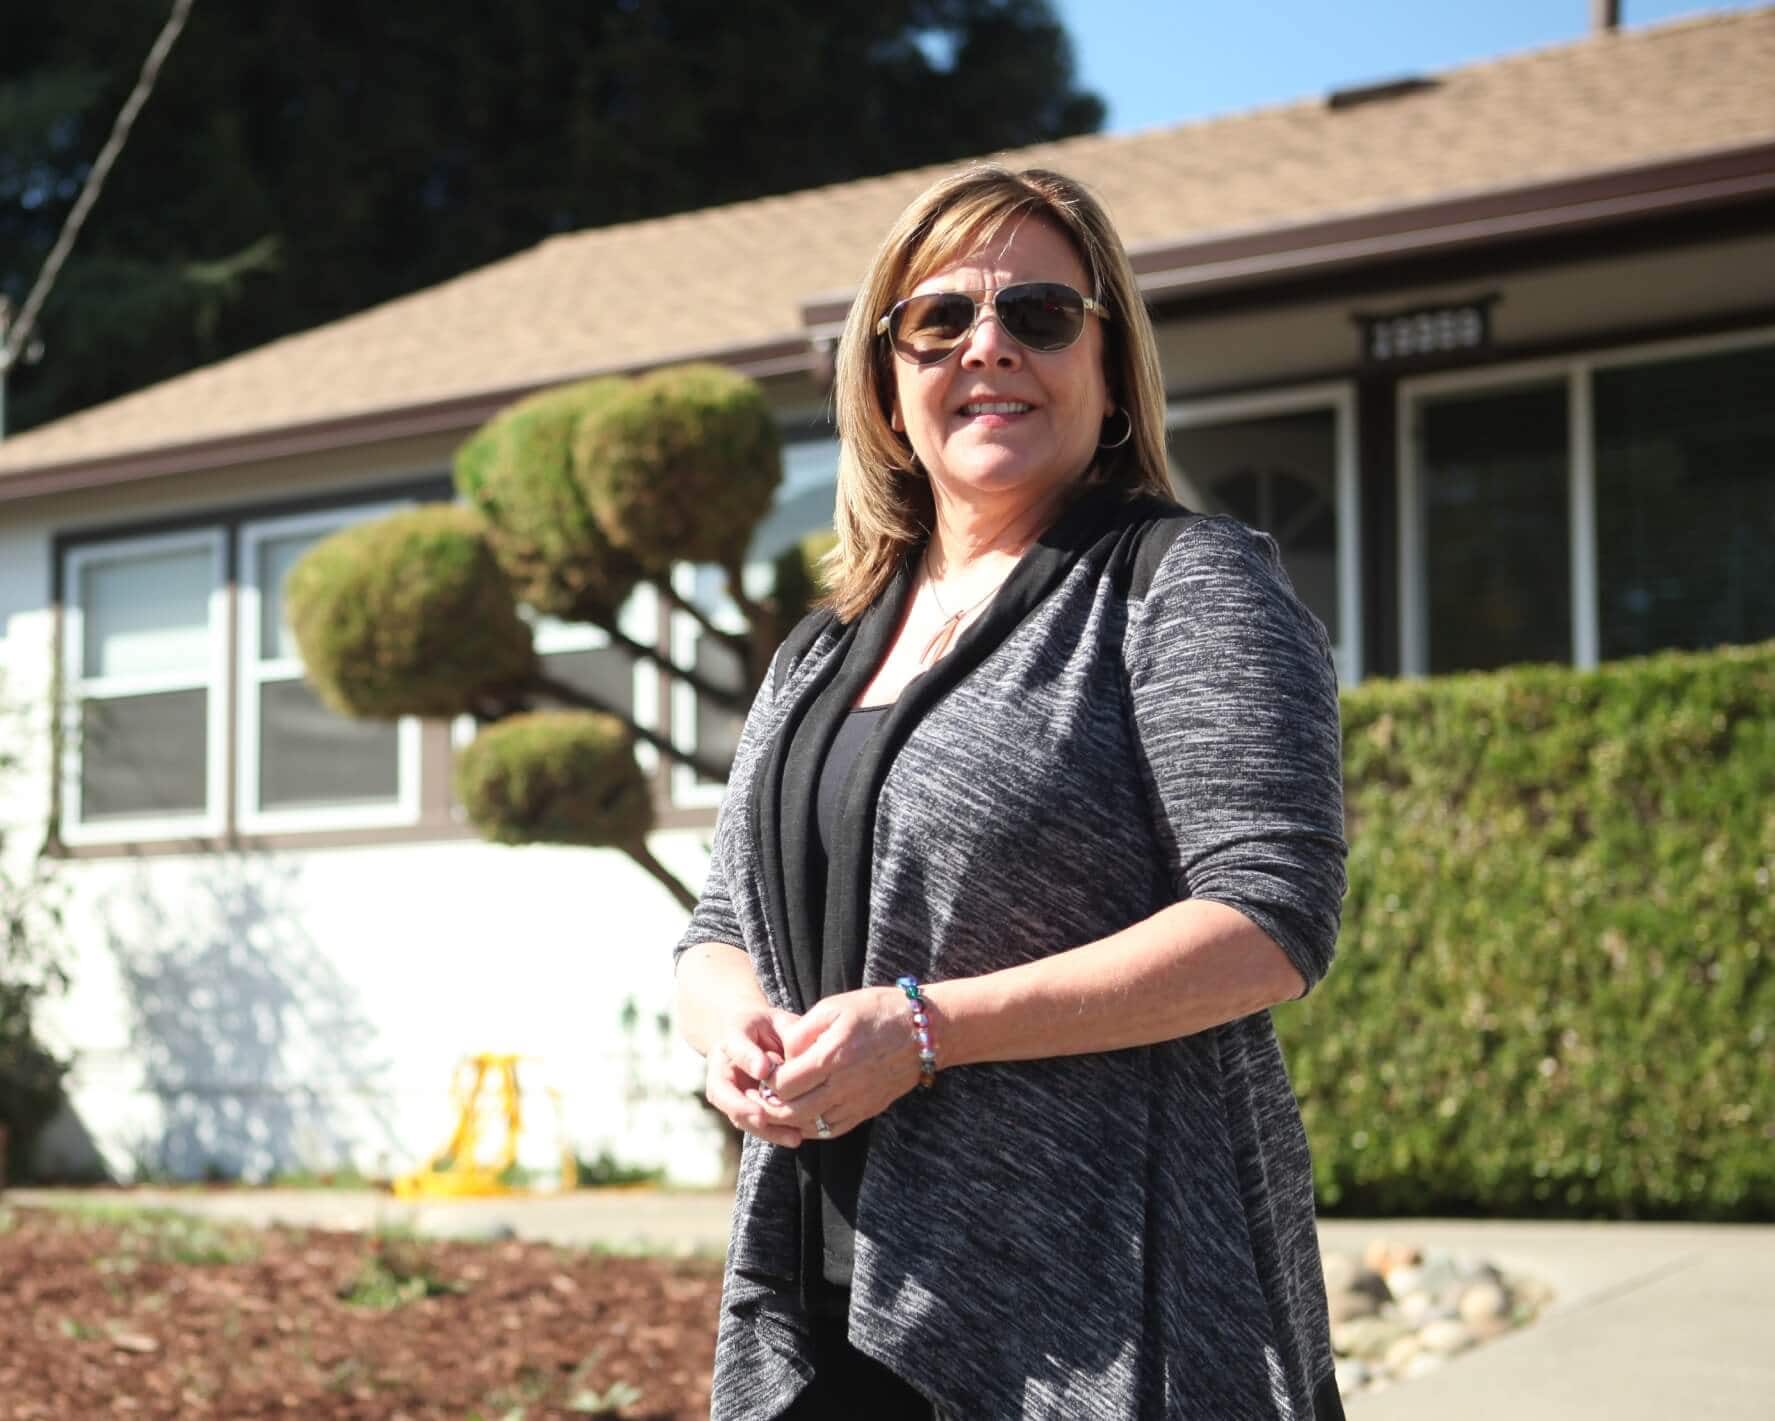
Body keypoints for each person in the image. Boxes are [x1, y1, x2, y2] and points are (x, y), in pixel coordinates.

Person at [673, 164, 1348, 1421]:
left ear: (1107, 367)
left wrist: (926, 1027)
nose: (986, 346)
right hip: (824, 1312)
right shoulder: (822, 647)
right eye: (938, 319)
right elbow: (717, 925)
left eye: (1038, 314)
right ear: (885, 381)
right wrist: (735, 1034)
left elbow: (1268, 918)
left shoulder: (1182, 583)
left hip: (1095, 1319)